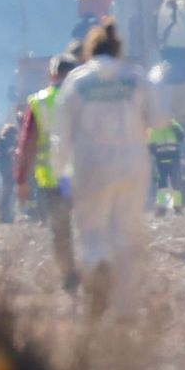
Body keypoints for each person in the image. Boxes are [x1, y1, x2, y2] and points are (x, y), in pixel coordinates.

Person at [51, 20, 165, 318]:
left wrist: (61, 171)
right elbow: (160, 118)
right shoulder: (135, 78)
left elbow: (61, 133)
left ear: (90, 51)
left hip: (91, 165)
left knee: (92, 231)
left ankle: (97, 271)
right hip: (131, 164)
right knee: (126, 233)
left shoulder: (77, 81)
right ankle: (125, 308)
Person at [16, 55, 78, 291]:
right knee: (93, 226)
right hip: (87, 176)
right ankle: (100, 272)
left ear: (51, 74)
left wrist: (22, 180)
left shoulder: (40, 101)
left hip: (52, 179)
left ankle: (69, 277)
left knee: (60, 230)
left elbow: (27, 144)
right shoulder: (85, 98)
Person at [147, 116, 185, 213]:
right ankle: (162, 207)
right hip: (161, 161)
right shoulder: (155, 130)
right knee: (161, 184)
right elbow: (150, 145)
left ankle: (177, 206)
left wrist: (173, 125)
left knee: (176, 182)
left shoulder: (174, 126)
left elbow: (182, 137)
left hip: (174, 159)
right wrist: (156, 155)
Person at [0, 120, 16, 222]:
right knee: (8, 186)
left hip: (7, 165)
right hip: (4, 165)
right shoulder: (2, 140)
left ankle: (6, 209)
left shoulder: (10, 140)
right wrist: (8, 152)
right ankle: (4, 209)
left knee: (9, 186)